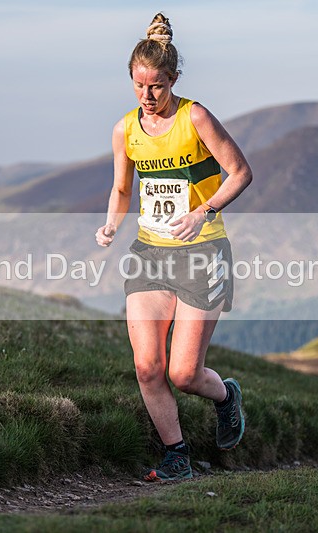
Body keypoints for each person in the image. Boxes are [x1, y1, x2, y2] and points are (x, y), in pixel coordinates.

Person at [95, 13, 252, 481]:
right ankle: (176, 455)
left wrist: (202, 211)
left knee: (184, 375)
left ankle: (225, 395)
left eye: (157, 86)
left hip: (202, 252)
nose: (147, 96)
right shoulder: (126, 130)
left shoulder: (195, 116)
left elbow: (240, 172)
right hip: (150, 253)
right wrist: (110, 225)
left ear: (174, 80)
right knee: (148, 367)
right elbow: (123, 190)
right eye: (139, 85)